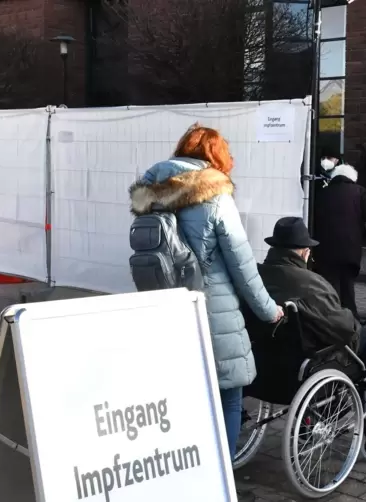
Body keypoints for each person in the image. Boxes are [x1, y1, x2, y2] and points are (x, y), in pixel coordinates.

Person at [129, 124, 283, 462]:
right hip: (212, 308)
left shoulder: (151, 195)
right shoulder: (215, 195)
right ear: (215, 156)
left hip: (163, 306)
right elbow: (241, 263)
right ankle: (221, 478)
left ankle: (187, 466)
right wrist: (269, 310)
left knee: (185, 393)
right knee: (228, 393)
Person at [255, 217, 366, 421]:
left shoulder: (256, 277)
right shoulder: (310, 283)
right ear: (305, 252)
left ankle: (326, 411)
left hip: (262, 366)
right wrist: (353, 320)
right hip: (300, 368)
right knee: (364, 339)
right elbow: (343, 327)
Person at [313, 162, 366, 325]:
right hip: (350, 246)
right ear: (352, 178)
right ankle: (351, 317)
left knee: (330, 282)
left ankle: (330, 316)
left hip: (325, 247)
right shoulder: (360, 191)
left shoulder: (322, 192)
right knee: (347, 282)